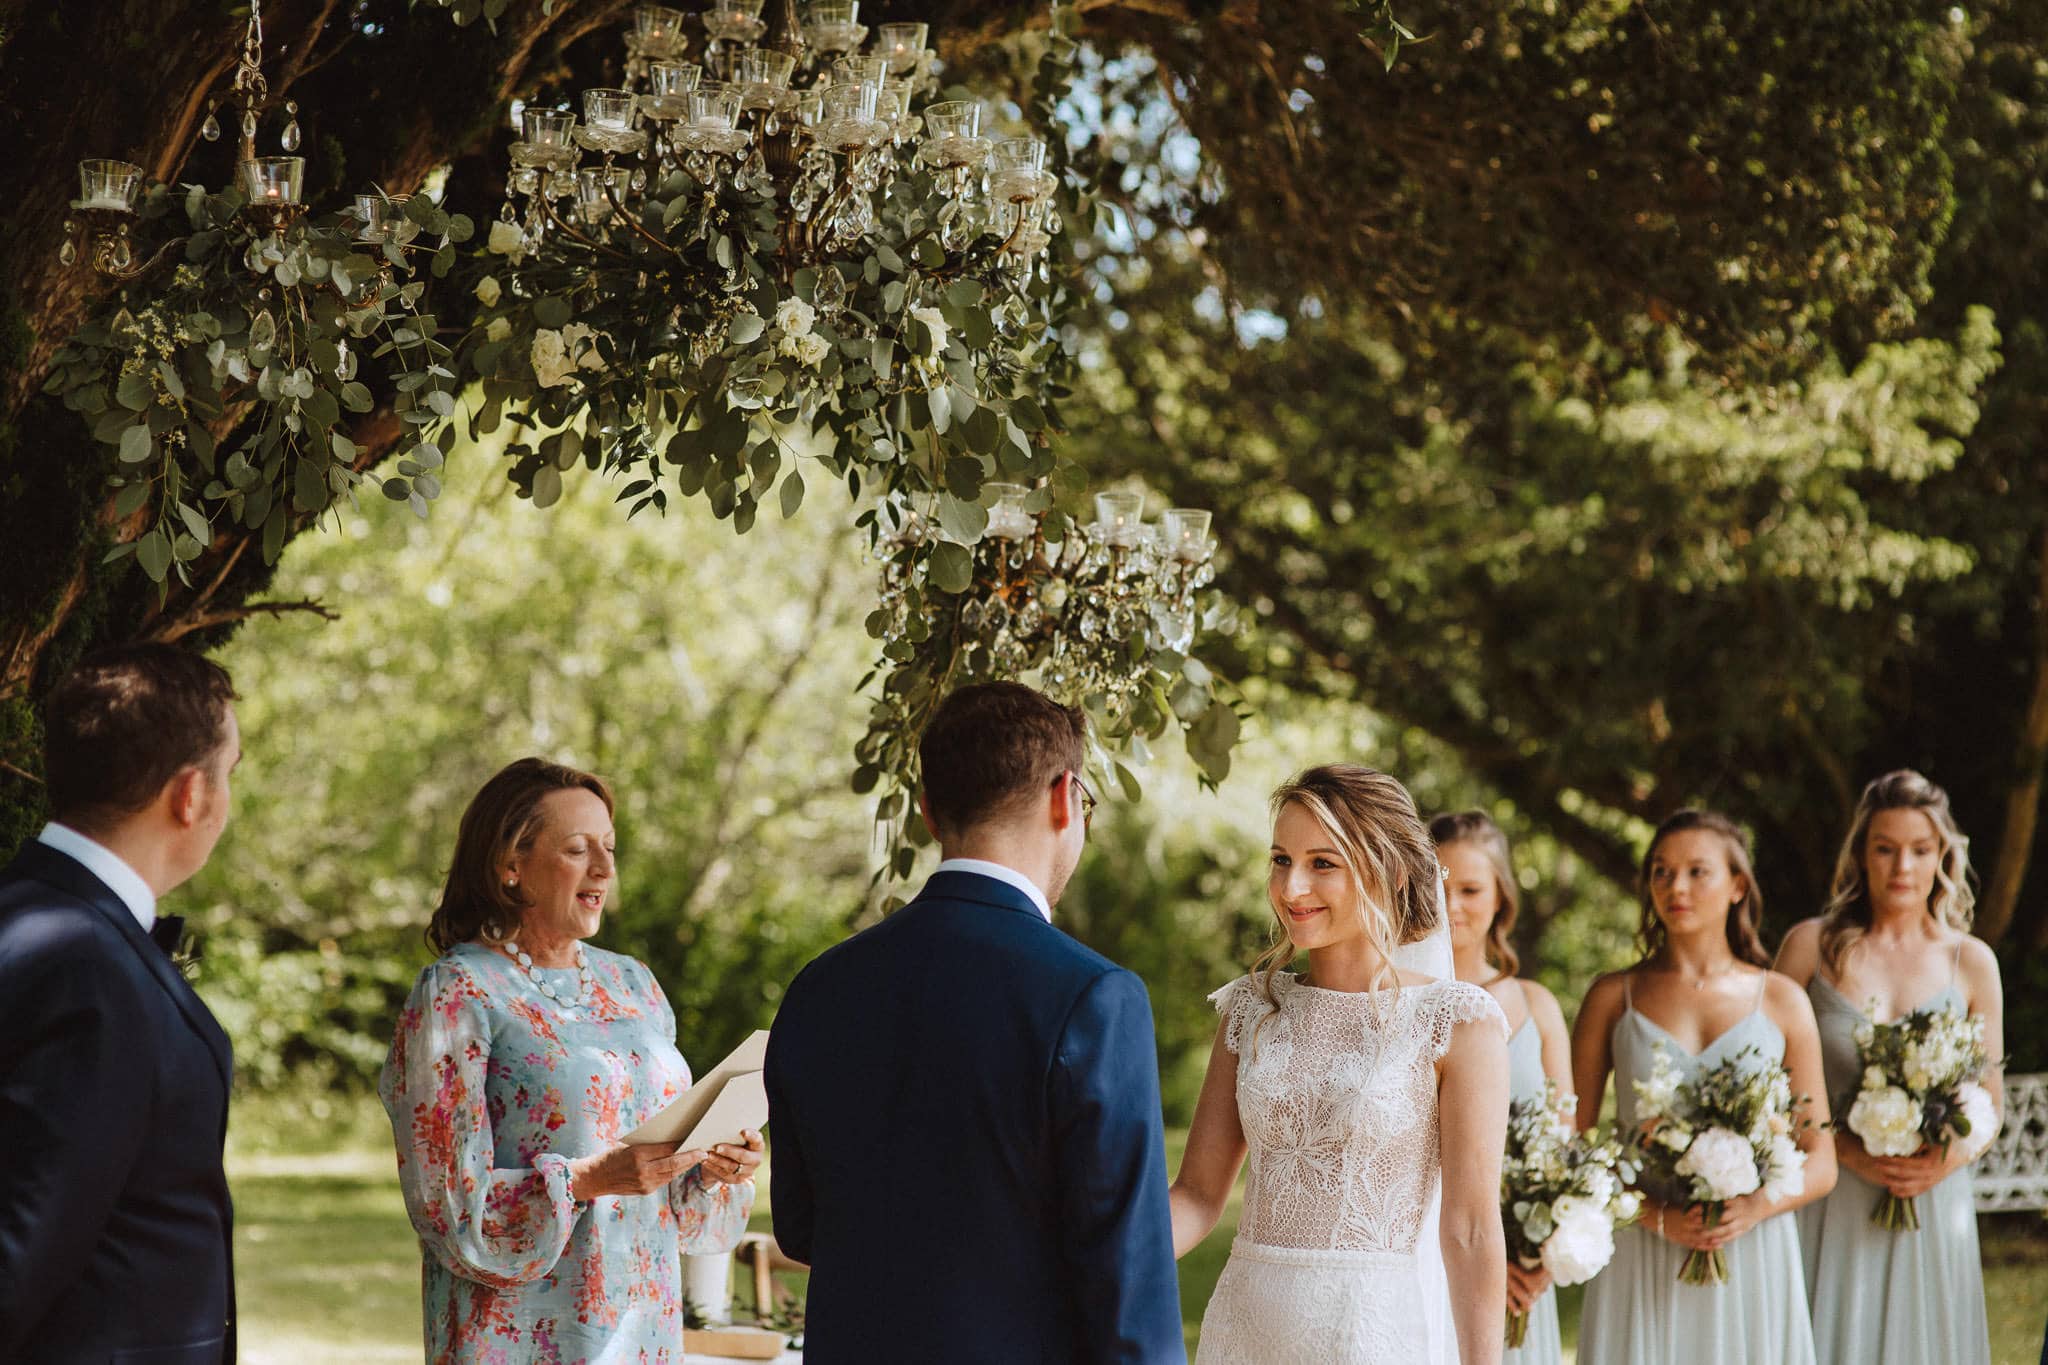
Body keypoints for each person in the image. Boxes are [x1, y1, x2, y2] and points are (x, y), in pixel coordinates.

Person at [764, 682, 1183, 1364]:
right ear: (1065, 798)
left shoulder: (820, 986)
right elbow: (1130, 1290)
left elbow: (801, 1227)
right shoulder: (1093, 996)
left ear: (928, 811)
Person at [378, 757, 760, 1363]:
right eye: (579, 849)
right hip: (515, 1334)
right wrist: (587, 1181)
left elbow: (675, 1205)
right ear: (511, 866)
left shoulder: (634, 984)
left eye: (609, 847)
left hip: (641, 1329)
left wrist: (712, 1166)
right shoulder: (459, 991)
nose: (606, 868)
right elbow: (447, 1205)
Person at [1173, 765, 1510, 1365]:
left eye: (1322, 863)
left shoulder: (1457, 1022)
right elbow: (1197, 1195)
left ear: (1391, 870)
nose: (1291, 887)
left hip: (1370, 1333)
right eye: (1281, 860)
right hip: (1245, 1329)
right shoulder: (1250, 1008)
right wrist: (1095, 1251)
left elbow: (1471, 1230)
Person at [0, 643, 241, 1363]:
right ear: (190, 794)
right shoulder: (88, 967)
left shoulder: (28, 917)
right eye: (229, 775)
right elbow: (20, 1249)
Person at [1571, 810, 1836, 1365]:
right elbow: (1574, 1145)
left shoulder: (1783, 999)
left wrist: (1757, 1207)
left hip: (1752, 1250)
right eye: (1662, 873)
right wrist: (1651, 1215)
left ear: (1738, 885)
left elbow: (1821, 1159)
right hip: (1644, 1249)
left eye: (1697, 871)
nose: (1676, 887)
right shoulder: (1611, 997)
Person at [1774, 770, 2002, 1365]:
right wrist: (1843, 1151)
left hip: (1934, 1202)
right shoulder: (1810, 947)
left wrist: (1940, 1163)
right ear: (1861, 856)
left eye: (1920, 850)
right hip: (1834, 1197)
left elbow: (1991, 1104)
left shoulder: (1972, 961)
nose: (1903, 866)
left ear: (1941, 858)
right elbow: (1766, 1083)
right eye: (1885, 848)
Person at [1432, 811, 1573, 1365]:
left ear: (1500, 900)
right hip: (1425, 1257)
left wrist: (1534, 1250)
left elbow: (1564, 1146)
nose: (1451, 906)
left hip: (1523, 1270)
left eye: (1469, 889)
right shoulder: (1395, 1001)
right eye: (1437, 887)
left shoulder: (1537, 1005)